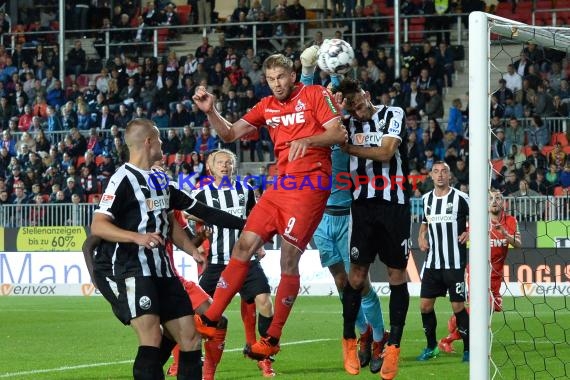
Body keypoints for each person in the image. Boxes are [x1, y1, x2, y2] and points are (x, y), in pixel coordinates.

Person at [191, 53, 347, 360]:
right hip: (281, 186)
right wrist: (211, 112)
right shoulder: (266, 106)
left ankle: (272, 338)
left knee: (288, 260)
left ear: (292, 76)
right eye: (271, 79)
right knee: (243, 247)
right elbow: (229, 133)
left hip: (310, 186)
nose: (276, 84)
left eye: (281, 78)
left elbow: (339, 133)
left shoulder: (314, 94)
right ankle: (210, 320)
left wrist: (310, 141)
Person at [89, 118, 247, 380]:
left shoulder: (160, 178)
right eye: (159, 139)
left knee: (190, 338)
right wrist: (136, 237)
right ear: (149, 142)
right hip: (134, 269)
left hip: (164, 271)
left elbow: (194, 212)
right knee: (151, 338)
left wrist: (250, 225)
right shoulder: (122, 179)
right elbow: (98, 225)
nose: (163, 144)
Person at [299, 45, 388, 376]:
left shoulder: (349, 124)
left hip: (349, 213)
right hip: (322, 217)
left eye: (337, 97)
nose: (334, 101)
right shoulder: (315, 121)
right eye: (330, 97)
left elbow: (345, 92)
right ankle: (363, 331)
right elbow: (306, 97)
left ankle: (379, 337)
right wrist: (308, 67)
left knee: (359, 282)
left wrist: (336, 74)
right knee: (340, 283)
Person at [335, 78, 411, 380]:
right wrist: (337, 107)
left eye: (359, 103)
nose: (358, 110)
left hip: (394, 205)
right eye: (351, 107)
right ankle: (349, 341)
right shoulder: (345, 122)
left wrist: (349, 147)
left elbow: (386, 152)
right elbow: (322, 128)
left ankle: (393, 348)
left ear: (368, 95)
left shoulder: (393, 113)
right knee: (356, 276)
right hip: (363, 206)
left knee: (396, 274)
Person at [192, 149, 276, 377]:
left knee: (265, 303)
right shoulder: (201, 194)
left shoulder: (246, 191)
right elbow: (188, 217)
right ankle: (190, 358)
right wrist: (198, 238)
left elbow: (255, 219)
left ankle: (264, 355)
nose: (225, 165)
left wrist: (258, 245)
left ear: (234, 166)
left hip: (245, 260)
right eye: (220, 162)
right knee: (197, 310)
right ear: (211, 167)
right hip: (217, 263)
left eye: (229, 162)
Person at [438, 190, 521, 353]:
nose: (494, 201)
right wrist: (466, 235)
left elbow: (518, 244)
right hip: (477, 273)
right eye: (490, 198)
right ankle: (448, 338)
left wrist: (504, 233)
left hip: (496, 274)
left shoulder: (511, 221)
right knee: (482, 312)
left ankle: (457, 319)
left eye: (498, 198)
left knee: (490, 309)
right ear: (486, 203)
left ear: (503, 202)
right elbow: (462, 236)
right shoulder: (478, 221)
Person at [416, 161, 470, 363]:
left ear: (450, 176)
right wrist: (421, 237)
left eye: (444, 172)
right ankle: (431, 347)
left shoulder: (461, 198)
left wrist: (469, 231)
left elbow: (481, 217)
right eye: (436, 172)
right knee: (425, 307)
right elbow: (424, 223)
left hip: (454, 263)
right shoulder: (426, 199)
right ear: (431, 175)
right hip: (432, 263)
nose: (440, 175)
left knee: (458, 307)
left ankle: (468, 349)